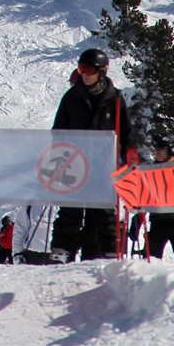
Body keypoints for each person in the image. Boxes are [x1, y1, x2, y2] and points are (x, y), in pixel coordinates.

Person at [51, 47, 131, 262]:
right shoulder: (71, 97)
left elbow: (126, 132)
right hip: (74, 164)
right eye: (81, 69)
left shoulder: (114, 99)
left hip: (103, 165)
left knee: (103, 212)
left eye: (88, 69)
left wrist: (128, 158)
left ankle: (107, 252)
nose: (84, 74)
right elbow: (58, 131)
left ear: (102, 71)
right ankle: (62, 250)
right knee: (70, 210)